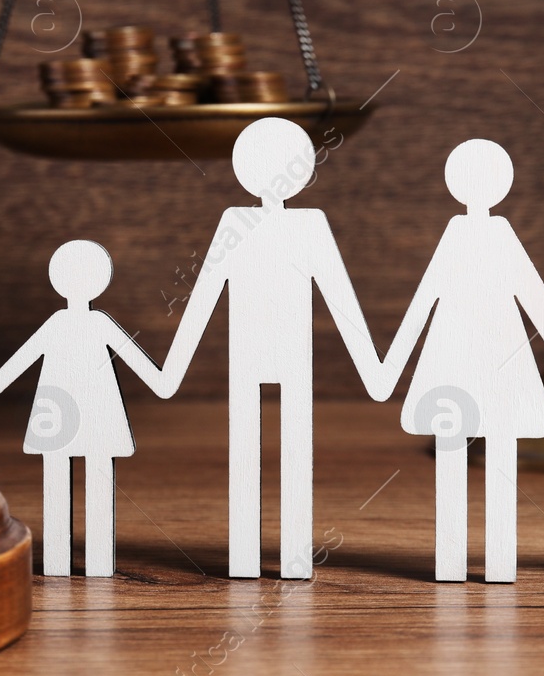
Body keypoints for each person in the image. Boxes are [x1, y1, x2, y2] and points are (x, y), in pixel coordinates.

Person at [160, 117, 384, 579]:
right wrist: (375, 371)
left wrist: (373, 368)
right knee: (256, 450)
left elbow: (338, 295)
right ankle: (254, 557)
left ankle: (283, 558)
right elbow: (204, 295)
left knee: (287, 450)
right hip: (252, 356)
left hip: (282, 355)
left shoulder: (290, 225)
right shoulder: (240, 223)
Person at [373, 138, 544, 582]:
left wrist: (388, 368)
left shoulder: (482, 236)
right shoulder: (471, 236)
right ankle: (466, 561)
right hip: (475, 359)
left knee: (482, 453)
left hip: (479, 359)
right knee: (482, 454)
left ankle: (479, 561)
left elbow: (529, 301)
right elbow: (434, 299)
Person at [0, 240, 165, 578]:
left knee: (68, 477)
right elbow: (143, 366)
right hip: (76, 413)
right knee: (85, 478)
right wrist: (163, 381)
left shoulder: (68, 323)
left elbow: (18, 363)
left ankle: (66, 560)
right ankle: (79, 562)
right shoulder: (90, 323)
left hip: (61, 414)